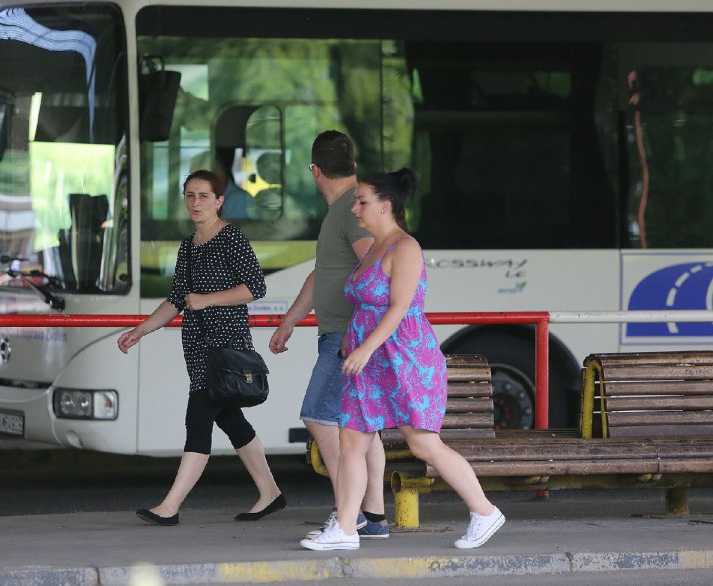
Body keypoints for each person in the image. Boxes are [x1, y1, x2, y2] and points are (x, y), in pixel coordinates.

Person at [300, 168, 505, 551]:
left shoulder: (405, 247)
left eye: (362, 201)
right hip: (370, 362)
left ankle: (484, 511)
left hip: (404, 359)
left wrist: (364, 347)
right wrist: (352, 342)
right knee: (351, 441)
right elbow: (367, 304)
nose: (355, 208)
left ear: (386, 205)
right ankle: (346, 527)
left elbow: (399, 307)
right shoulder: (373, 247)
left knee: (423, 444)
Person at [118, 169, 285, 525]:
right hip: (198, 348)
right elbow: (176, 299)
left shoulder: (231, 237)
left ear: (219, 201)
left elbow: (255, 287)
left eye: (204, 196)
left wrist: (207, 299)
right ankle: (270, 492)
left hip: (225, 345)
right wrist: (140, 331)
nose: (196, 203)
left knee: (198, 420)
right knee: (230, 418)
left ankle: (170, 506)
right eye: (190, 195)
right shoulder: (188, 245)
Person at [269, 131, 388, 539]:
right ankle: (373, 516)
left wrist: (357, 333)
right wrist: (289, 321)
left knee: (318, 416)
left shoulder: (350, 209)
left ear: (314, 170)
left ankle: (347, 515)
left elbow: (374, 265)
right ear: (352, 165)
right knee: (363, 427)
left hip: (346, 337)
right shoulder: (346, 208)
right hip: (350, 335)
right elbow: (324, 274)